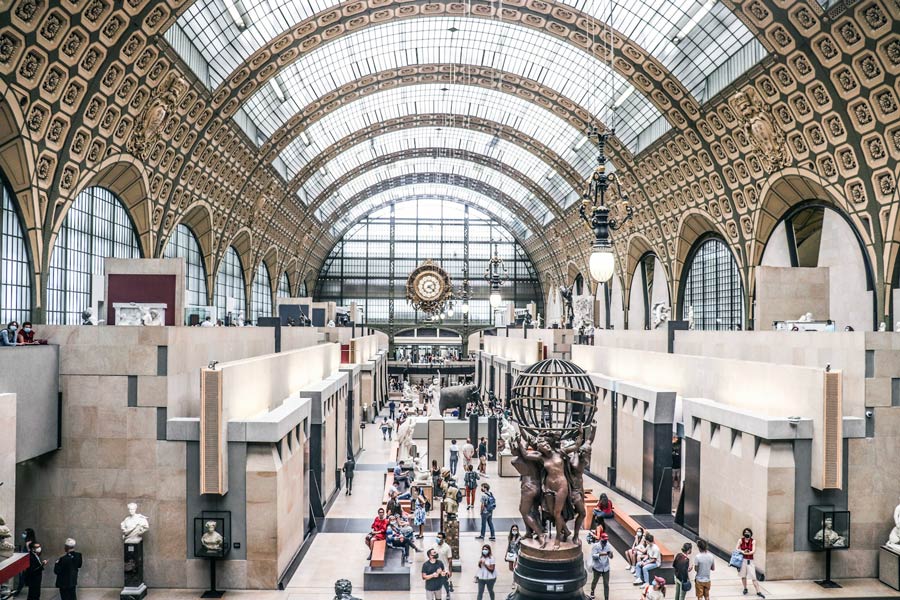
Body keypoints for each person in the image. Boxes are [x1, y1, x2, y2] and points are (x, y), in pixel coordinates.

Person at [737, 528, 765, 598]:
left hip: (750, 560)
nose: (747, 534)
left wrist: (747, 552)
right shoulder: (741, 540)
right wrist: (743, 551)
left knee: (753, 577)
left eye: (748, 532)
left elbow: (753, 551)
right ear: (744, 533)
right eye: (745, 532)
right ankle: (745, 588)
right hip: (743, 560)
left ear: (750, 533)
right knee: (743, 575)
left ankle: (758, 591)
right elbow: (737, 548)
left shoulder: (753, 541)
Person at [588, 532, 613, 600]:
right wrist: (603, 554)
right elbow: (593, 556)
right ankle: (592, 591)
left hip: (606, 567)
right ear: (601, 539)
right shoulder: (596, 546)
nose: (605, 541)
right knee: (595, 581)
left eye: (606, 540)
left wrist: (611, 554)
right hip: (597, 567)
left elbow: (611, 556)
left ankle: (606, 598)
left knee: (606, 584)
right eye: (604, 539)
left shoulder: (608, 546)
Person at [431, 531, 454, 598]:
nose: (438, 538)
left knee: (444, 582)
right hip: (435, 567)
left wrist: (450, 571)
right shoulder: (433, 546)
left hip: (444, 568)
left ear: (443, 539)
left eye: (439, 537)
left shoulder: (447, 547)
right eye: (437, 537)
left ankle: (447, 592)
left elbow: (450, 560)